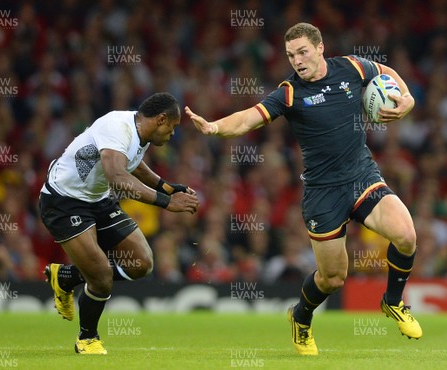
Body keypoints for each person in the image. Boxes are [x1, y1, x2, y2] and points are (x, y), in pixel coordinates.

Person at [185, 23, 421, 356]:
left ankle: (393, 301)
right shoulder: (290, 93)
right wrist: (213, 127)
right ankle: (301, 316)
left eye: (303, 52)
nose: (297, 60)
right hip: (323, 194)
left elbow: (386, 71)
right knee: (333, 278)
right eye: (291, 55)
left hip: (362, 177)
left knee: (406, 234)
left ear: (320, 47)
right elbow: (247, 118)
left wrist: (407, 99)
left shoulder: (352, 67)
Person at [39, 92, 199, 355]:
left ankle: (66, 277)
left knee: (142, 263)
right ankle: (87, 339)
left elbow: (133, 166)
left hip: (97, 201)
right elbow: (116, 176)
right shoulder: (118, 126)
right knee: (101, 277)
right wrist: (166, 202)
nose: (173, 133)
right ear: (161, 119)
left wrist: (167, 186)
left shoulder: (140, 133)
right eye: (173, 126)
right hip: (64, 202)